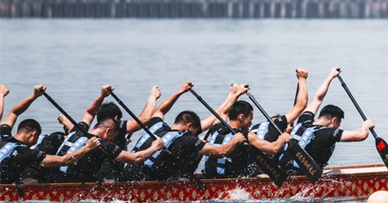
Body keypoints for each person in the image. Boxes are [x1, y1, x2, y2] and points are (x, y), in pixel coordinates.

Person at [35, 86, 166, 183]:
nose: (113, 139)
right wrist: (155, 147)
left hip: (50, 179)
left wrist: (102, 95)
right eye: (113, 135)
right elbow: (135, 158)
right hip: (70, 185)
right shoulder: (102, 144)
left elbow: (90, 112)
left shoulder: (78, 130)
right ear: (108, 131)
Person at [125, 82, 246, 181]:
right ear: (188, 126)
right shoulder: (186, 139)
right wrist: (235, 140)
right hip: (144, 182)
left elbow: (160, 110)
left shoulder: (156, 126)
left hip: (126, 175)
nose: (194, 136)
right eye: (194, 132)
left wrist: (180, 91)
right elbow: (221, 152)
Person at [277, 68, 374, 172]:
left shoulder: (303, 121)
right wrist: (366, 126)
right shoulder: (326, 133)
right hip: (302, 179)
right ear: (334, 120)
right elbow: (361, 135)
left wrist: (330, 77)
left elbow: (318, 98)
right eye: (338, 124)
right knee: (339, 173)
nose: (338, 127)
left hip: (280, 171)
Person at [0, 85, 100, 184]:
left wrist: (33, 96)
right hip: (4, 191)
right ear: (33, 134)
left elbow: (14, 113)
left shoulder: (2, 135)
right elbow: (64, 161)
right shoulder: (26, 153)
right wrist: (87, 148)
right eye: (37, 138)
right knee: (32, 181)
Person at [202, 99, 291, 179]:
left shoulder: (216, 128)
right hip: (234, 184)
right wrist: (283, 137)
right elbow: (274, 149)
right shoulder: (245, 135)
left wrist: (235, 93)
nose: (251, 123)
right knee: (262, 171)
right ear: (241, 117)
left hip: (209, 177)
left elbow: (223, 112)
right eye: (250, 119)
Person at [248, 68, 308, 163]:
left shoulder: (253, 128)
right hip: (267, 172)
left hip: (249, 168)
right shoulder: (276, 126)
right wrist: (302, 79)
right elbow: (301, 105)